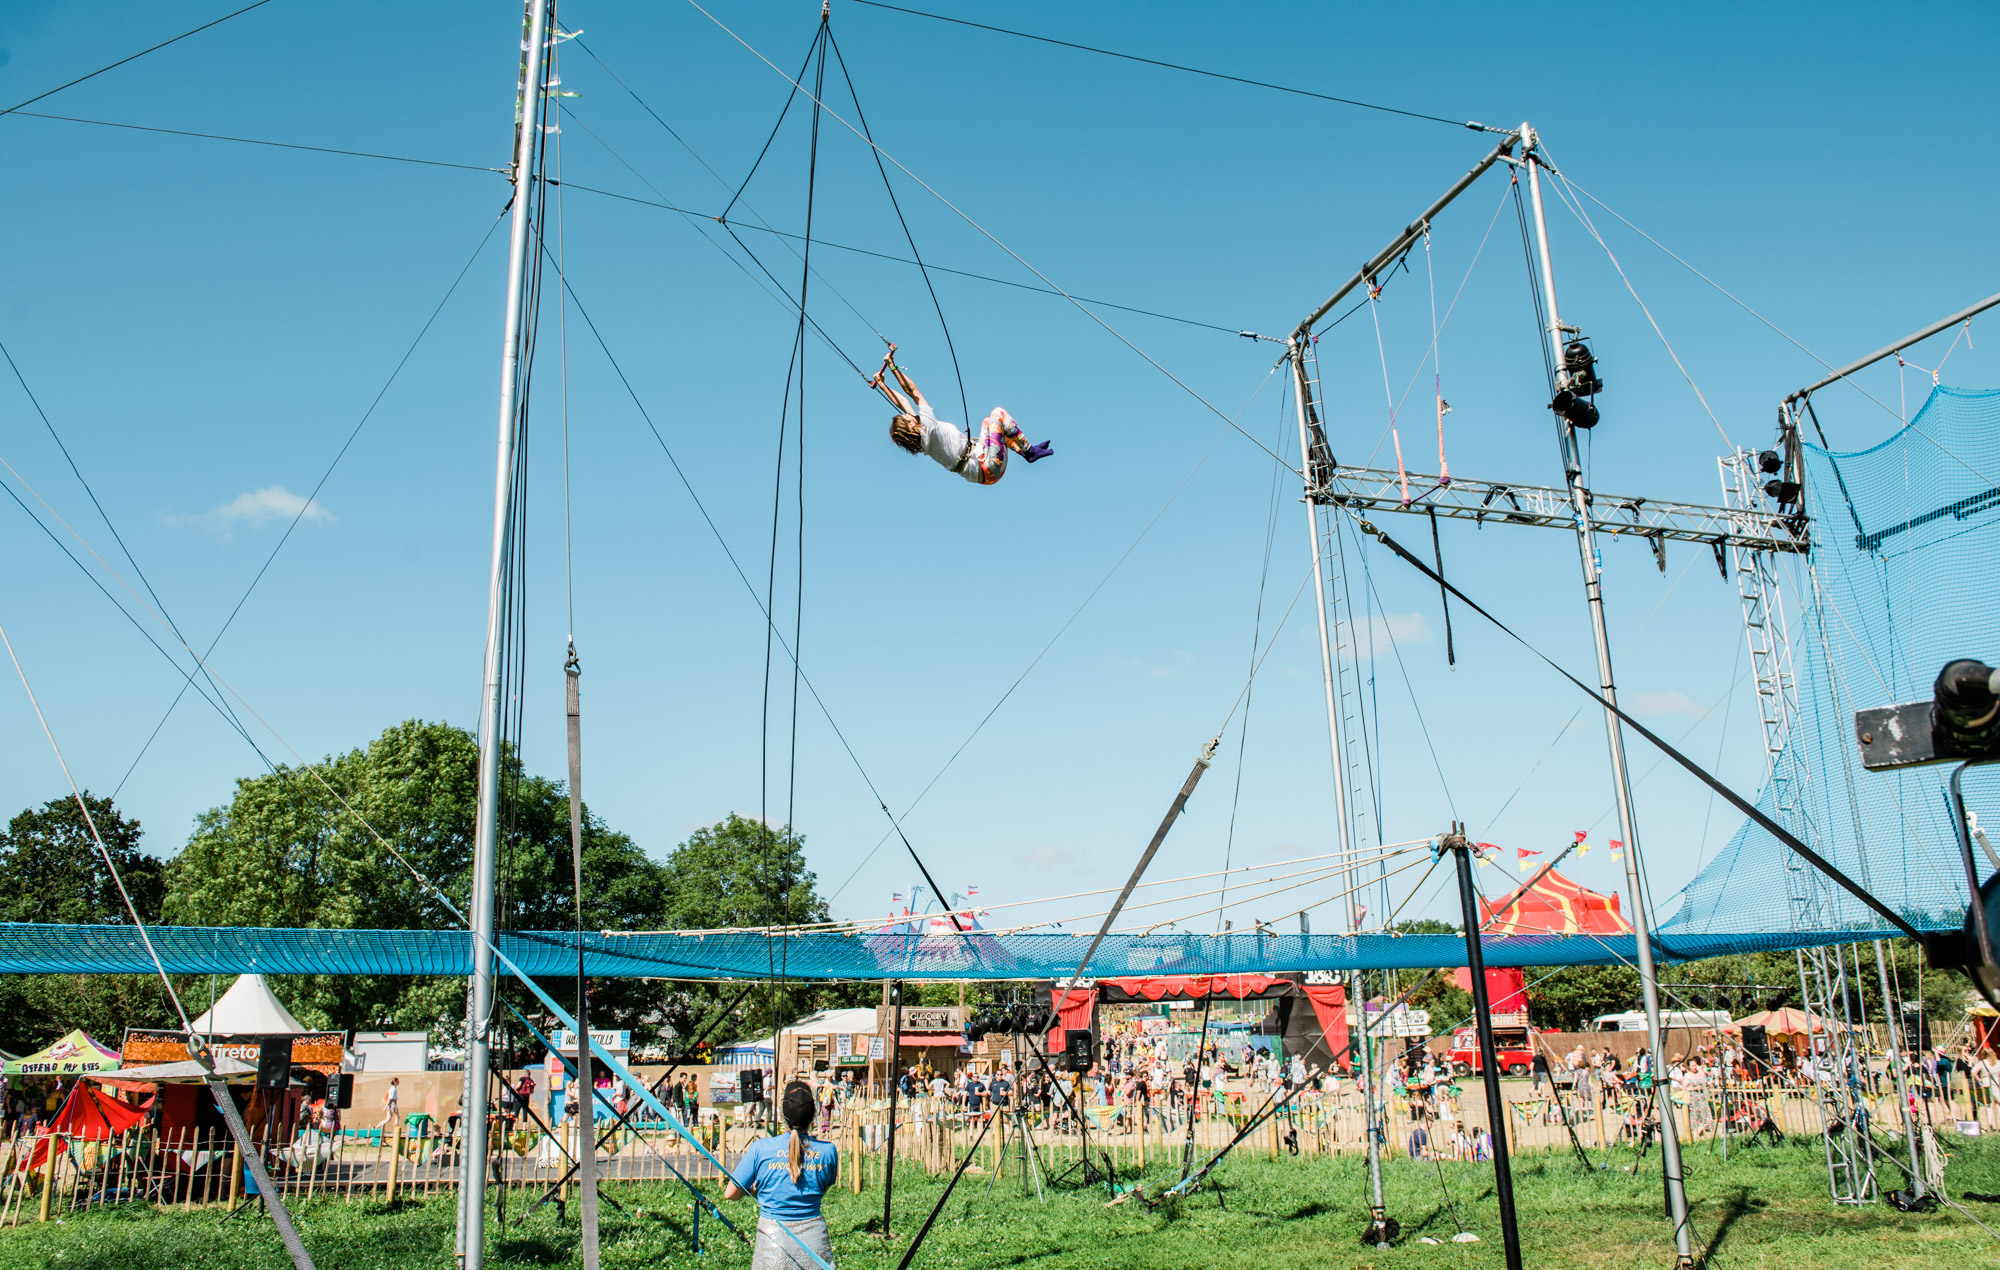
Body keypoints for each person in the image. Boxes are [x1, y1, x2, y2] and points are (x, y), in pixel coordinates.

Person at [872, 345, 1051, 484]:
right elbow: (914, 392)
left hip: (983, 466)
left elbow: (903, 402)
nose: (908, 415)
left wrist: (882, 385)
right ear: (910, 426)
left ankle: (1023, 449)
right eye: (906, 418)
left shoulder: (923, 440)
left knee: (989, 422)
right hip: (988, 467)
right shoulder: (928, 427)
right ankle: (1029, 452)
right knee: (998, 413)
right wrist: (893, 367)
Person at [725, 1079, 838, 1269]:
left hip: (773, 1240)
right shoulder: (828, 1151)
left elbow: (731, 1193)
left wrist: (754, 1191)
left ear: (782, 1113)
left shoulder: (760, 1149)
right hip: (813, 1241)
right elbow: (822, 1188)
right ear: (814, 1114)